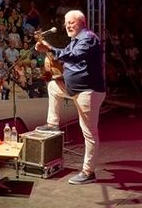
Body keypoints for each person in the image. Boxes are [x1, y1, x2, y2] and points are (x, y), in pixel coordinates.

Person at [34, 10, 106, 185]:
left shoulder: (88, 38)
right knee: (53, 86)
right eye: (66, 23)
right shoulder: (75, 40)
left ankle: (88, 172)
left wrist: (49, 48)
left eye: (71, 22)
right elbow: (63, 56)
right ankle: (52, 124)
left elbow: (74, 57)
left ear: (82, 22)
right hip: (74, 89)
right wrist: (47, 50)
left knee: (89, 133)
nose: (67, 26)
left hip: (88, 92)